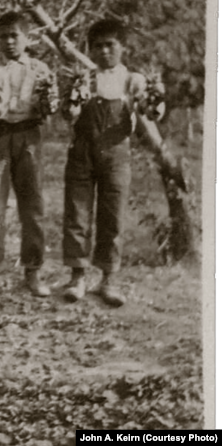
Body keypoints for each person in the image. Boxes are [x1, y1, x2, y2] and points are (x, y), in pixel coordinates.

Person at [60, 19, 171, 307]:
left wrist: (154, 100)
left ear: (123, 47)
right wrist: (72, 101)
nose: (104, 51)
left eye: (111, 45)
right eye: (98, 46)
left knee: (113, 215)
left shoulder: (132, 79)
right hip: (82, 153)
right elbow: (68, 115)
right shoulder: (84, 77)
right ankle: (78, 276)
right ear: (90, 50)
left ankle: (108, 279)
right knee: (77, 212)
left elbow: (150, 112)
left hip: (116, 155)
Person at [0, 12, 53, 298]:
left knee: (32, 206)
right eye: (3, 36)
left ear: (27, 38)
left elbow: (49, 108)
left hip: (29, 136)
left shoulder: (40, 69)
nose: (8, 42)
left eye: (14, 35)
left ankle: (33, 271)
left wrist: (47, 102)